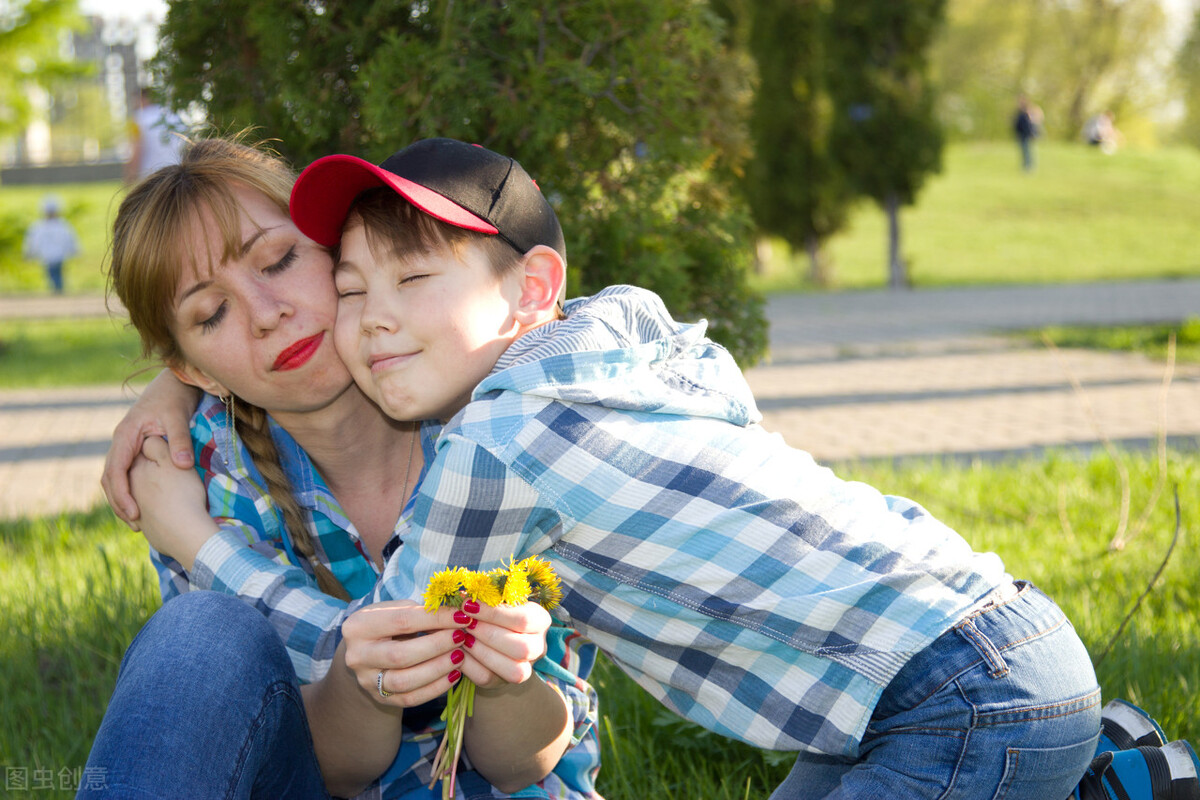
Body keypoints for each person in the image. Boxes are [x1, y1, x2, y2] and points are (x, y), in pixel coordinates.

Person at [278, 136, 1197, 800]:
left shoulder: (494, 446)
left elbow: (381, 647)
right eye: (351, 291)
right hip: (981, 641)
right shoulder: (631, 354)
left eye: (412, 280)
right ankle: (1099, 782)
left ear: (532, 291)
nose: (373, 320)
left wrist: (198, 538)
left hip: (952, 697)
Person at [86, 137, 600, 799]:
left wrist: (504, 679)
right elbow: (327, 765)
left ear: (342, 248)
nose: (269, 314)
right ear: (193, 369)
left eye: (279, 260)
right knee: (195, 634)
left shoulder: (501, 423)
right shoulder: (201, 474)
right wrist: (362, 682)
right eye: (212, 314)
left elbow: (531, 758)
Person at [124, 87, 186, 183]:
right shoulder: (175, 117)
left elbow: (137, 149)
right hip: (176, 174)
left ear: (142, 99)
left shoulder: (138, 119)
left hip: (150, 176)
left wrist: (130, 177)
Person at [22, 195, 77, 293]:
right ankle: (58, 289)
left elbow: (70, 240)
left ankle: (58, 290)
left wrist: (30, 253)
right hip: (51, 256)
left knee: (54, 273)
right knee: (54, 273)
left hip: (54, 256)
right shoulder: (44, 226)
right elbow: (34, 242)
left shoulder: (56, 226)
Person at [1013, 94, 1042, 172]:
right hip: (1021, 135)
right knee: (1024, 152)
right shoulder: (1020, 113)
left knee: (1027, 151)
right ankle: (1026, 166)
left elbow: (1029, 125)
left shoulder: (1026, 114)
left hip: (1026, 135)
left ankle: (1029, 167)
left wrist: (1031, 133)